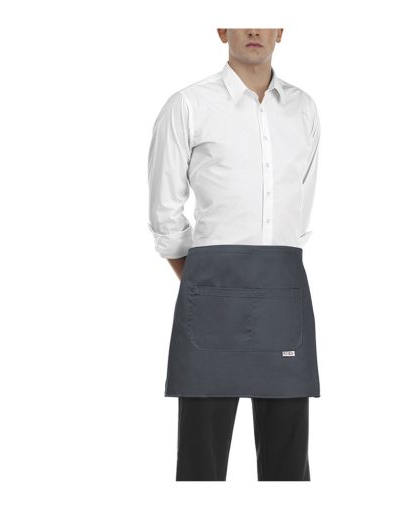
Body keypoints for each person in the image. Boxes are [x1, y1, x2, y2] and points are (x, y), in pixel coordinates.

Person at [147, 28, 321, 481]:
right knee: (200, 467)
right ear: (222, 28)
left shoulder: (303, 109)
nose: (254, 29)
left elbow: (299, 214)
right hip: (211, 300)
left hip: (284, 295)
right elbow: (165, 214)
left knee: (288, 466)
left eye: (266, 18)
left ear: (281, 29)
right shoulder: (188, 105)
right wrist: (204, 280)